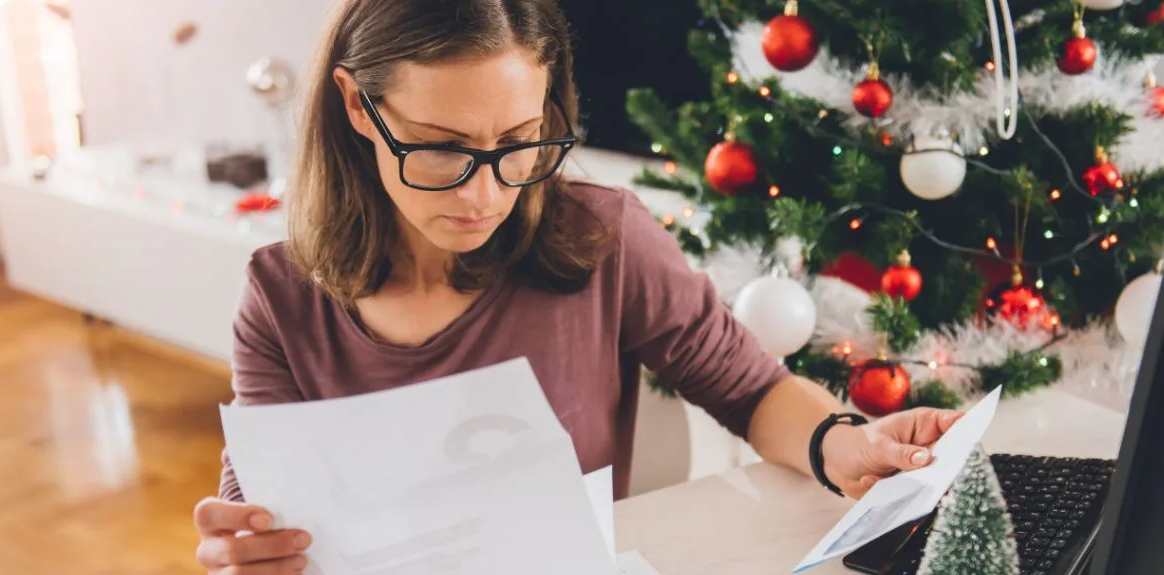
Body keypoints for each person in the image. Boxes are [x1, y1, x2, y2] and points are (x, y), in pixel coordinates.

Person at [192, 0, 964, 573]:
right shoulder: (281, 295)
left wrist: (846, 442)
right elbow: (261, 512)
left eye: (518, 143)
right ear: (359, 106)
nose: (483, 195)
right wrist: (246, 548)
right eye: (441, 150)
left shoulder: (603, 237)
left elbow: (751, 390)